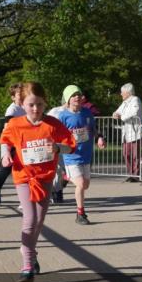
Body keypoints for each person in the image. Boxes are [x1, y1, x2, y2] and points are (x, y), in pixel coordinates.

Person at [0, 82, 76, 282]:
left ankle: (30, 252)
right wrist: (5, 154)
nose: (35, 109)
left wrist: (58, 148)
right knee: (30, 218)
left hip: (45, 178)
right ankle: (27, 265)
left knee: (39, 220)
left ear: (45, 103)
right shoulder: (15, 124)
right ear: (22, 104)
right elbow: (5, 140)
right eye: (31, 105)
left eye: (40, 104)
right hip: (24, 177)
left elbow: (71, 146)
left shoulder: (52, 124)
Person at [56, 85, 105, 224]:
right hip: (71, 155)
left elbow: (94, 128)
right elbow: (57, 134)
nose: (77, 97)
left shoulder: (87, 113)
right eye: (73, 95)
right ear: (68, 99)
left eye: (79, 94)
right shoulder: (63, 116)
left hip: (86, 154)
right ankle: (80, 214)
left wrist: (99, 138)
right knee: (81, 184)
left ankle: (66, 176)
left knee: (86, 185)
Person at [0, 83, 25, 205]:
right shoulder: (12, 110)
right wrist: (7, 150)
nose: (22, 95)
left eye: (23, 93)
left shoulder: (27, 107)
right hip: (10, 143)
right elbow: (7, 129)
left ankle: (25, 199)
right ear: (13, 97)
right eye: (19, 94)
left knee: (25, 170)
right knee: (6, 169)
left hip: (23, 143)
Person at [112, 83, 142, 182]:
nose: (121, 94)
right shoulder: (125, 102)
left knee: (135, 155)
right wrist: (115, 114)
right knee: (126, 154)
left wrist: (121, 116)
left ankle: (136, 175)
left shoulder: (135, 99)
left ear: (128, 92)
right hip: (126, 133)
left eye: (122, 92)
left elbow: (134, 112)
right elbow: (117, 111)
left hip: (136, 132)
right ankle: (130, 174)